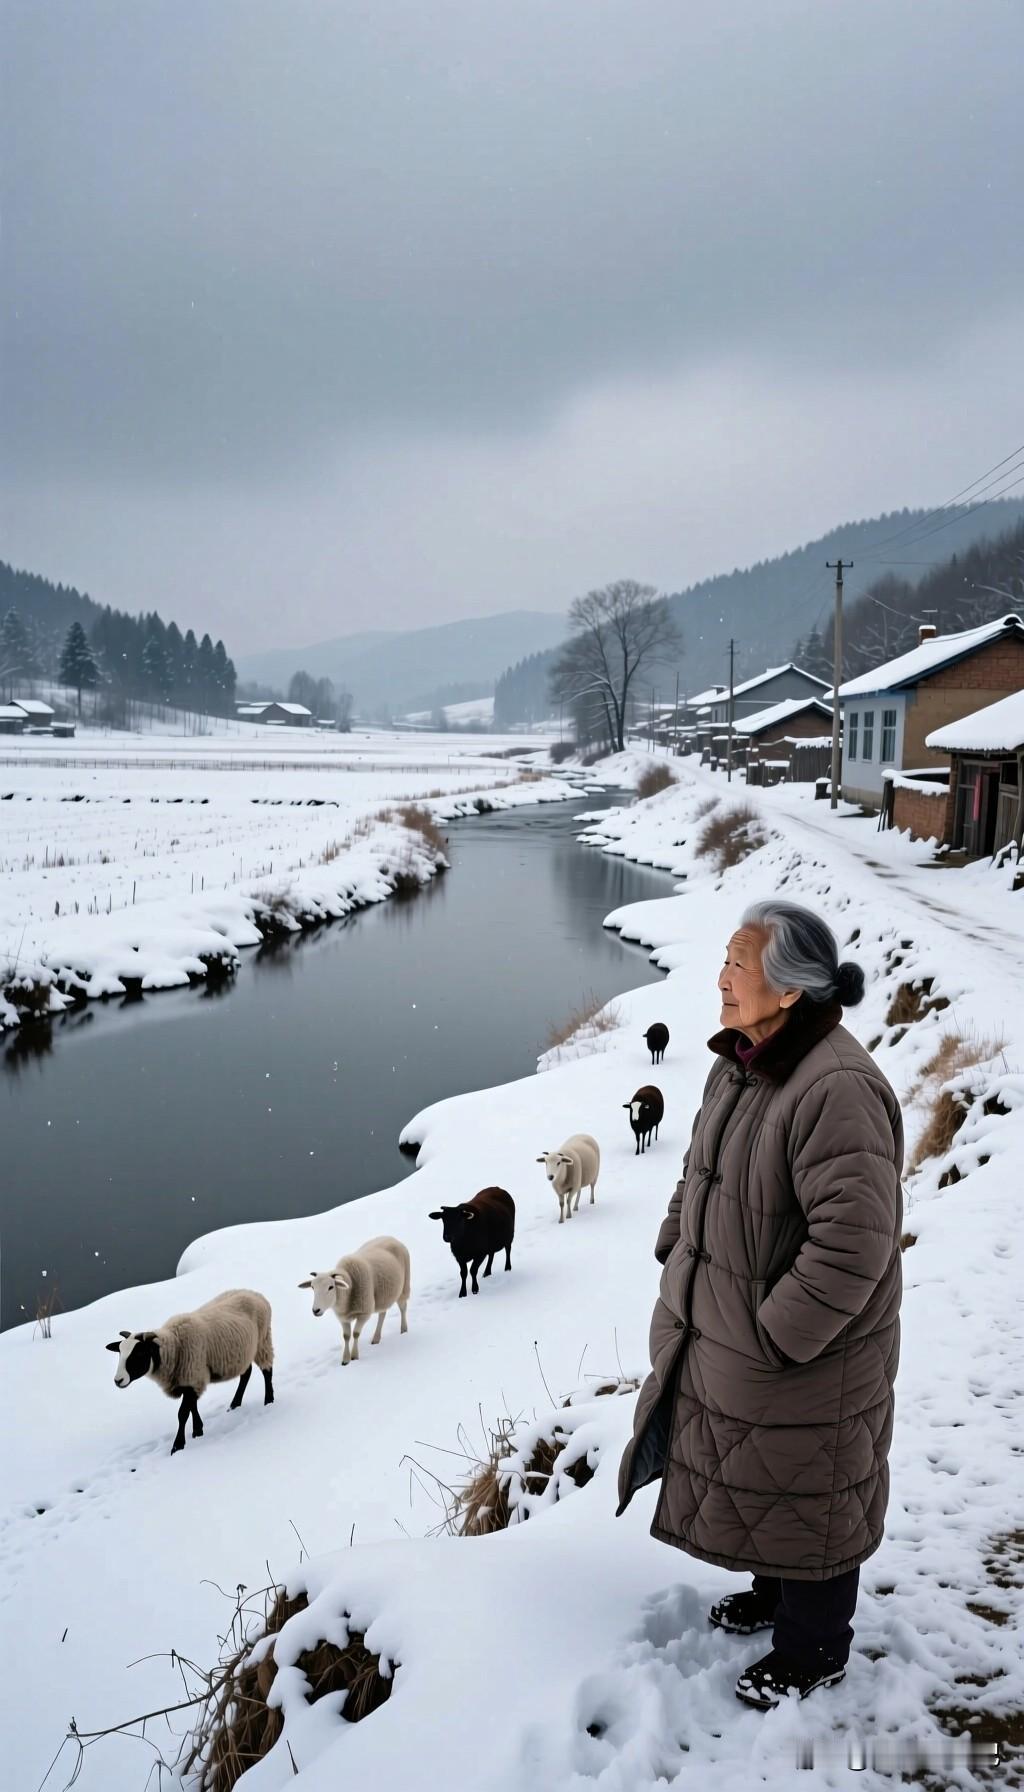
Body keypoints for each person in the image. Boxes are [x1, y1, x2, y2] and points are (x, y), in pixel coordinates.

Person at [617, 899, 903, 1708]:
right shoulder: (740, 1060)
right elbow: (699, 1170)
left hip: (805, 1353)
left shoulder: (837, 1089)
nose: (722, 978)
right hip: (736, 1331)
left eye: (739, 965)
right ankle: (774, 1593)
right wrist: (680, 1243)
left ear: (789, 991)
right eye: (726, 960)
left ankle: (815, 1648)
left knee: (811, 1486)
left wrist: (778, 1337)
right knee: (766, 1472)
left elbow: (854, 1245)